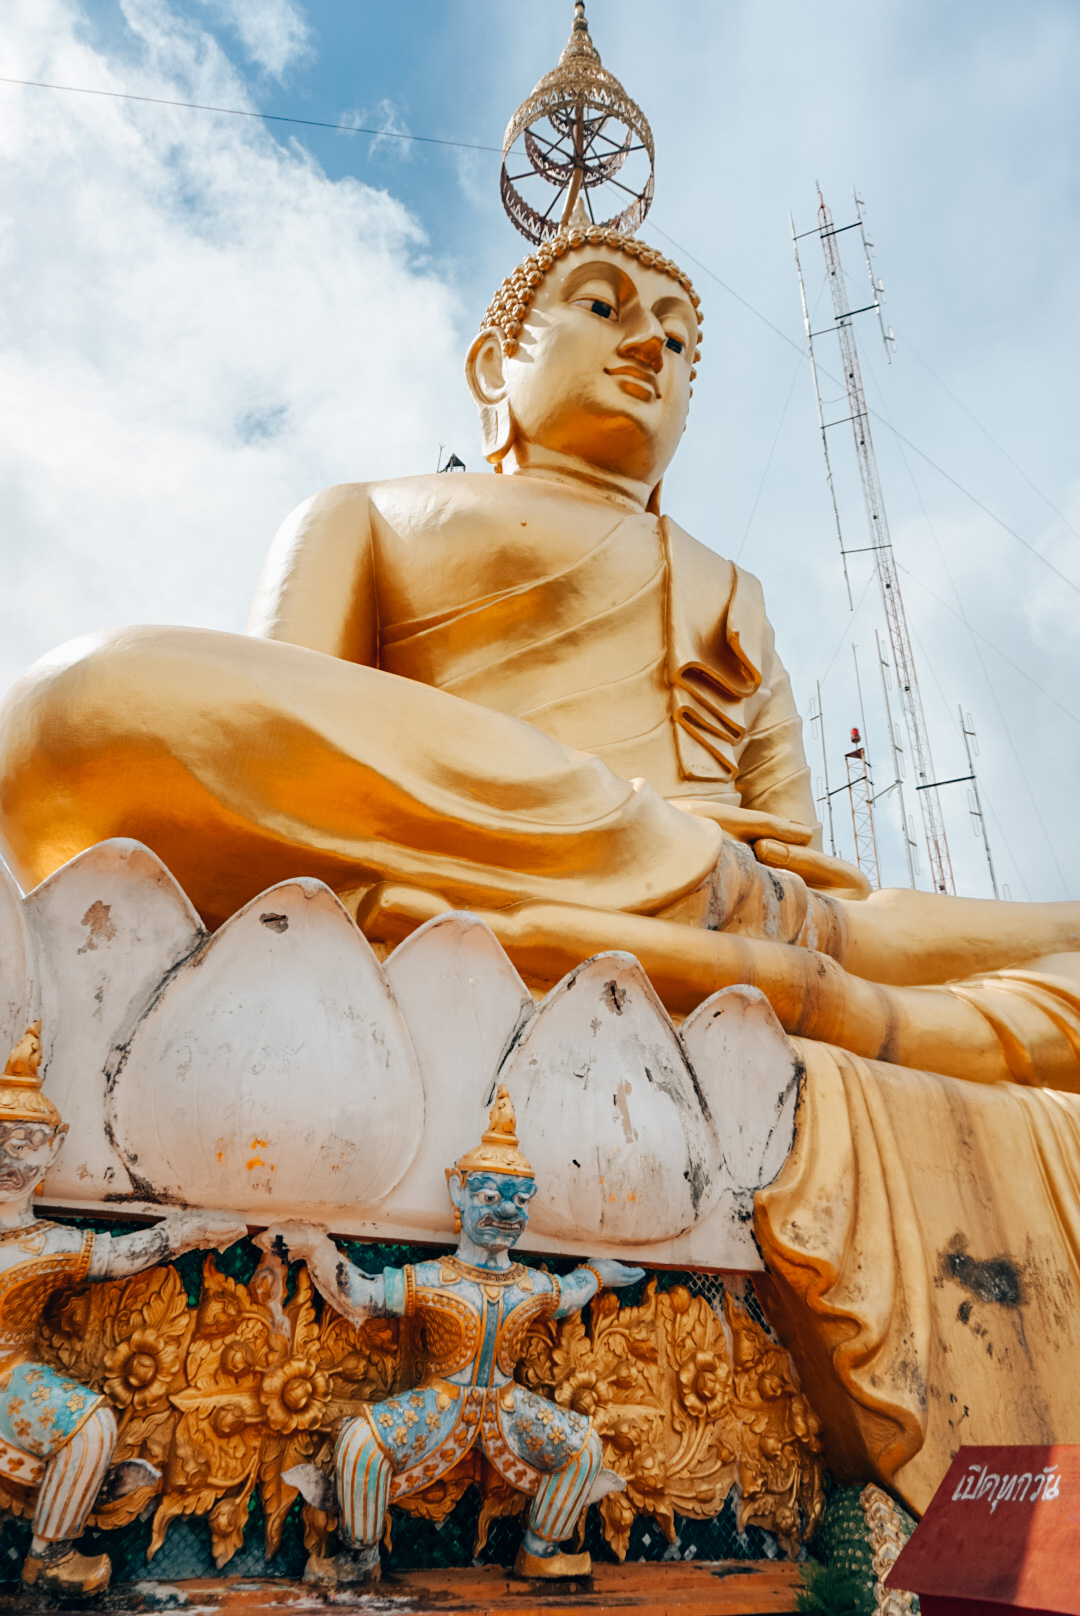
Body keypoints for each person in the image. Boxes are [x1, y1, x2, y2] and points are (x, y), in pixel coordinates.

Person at [2, 224, 1079, 1086]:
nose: (648, 345)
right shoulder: (368, 512)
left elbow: (809, 877)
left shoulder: (733, 589)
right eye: (604, 306)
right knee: (82, 708)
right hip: (495, 831)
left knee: (809, 914)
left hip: (735, 892)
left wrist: (734, 883)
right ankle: (760, 956)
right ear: (493, 364)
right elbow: (300, 752)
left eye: (679, 342)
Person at [260, 1086, 642, 1582]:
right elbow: (363, 1294)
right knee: (358, 1442)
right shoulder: (437, 1279)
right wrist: (314, 1248)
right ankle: (360, 1557)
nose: (506, 1213)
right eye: (488, 1197)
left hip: (509, 1405)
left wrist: (597, 1273)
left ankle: (540, 1549)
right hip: (439, 1405)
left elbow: (566, 1295)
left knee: (585, 1447)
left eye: (520, 1201)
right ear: (457, 1191)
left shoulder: (527, 1284)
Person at [0, 1024, 247, 1595]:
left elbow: (119, 1254)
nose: (8, 1157)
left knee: (90, 1423)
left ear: (54, 1147)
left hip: (10, 1374)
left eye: (24, 1144)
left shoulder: (51, 1244)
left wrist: (187, 1233)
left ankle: (50, 1554)